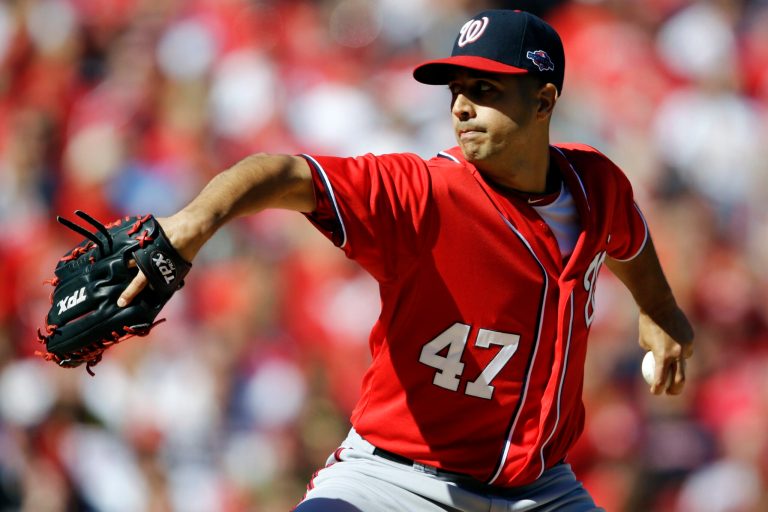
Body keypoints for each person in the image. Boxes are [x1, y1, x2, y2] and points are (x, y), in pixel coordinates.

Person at [117, 9, 694, 512]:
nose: (463, 106)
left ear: (544, 101)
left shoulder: (596, 184)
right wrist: (192, 224)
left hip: (539, 490)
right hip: (397, 477)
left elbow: (630, 240)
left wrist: (660, 307)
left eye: (486, 90)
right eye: (456, 90)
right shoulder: (423, 193)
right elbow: (287, 173)